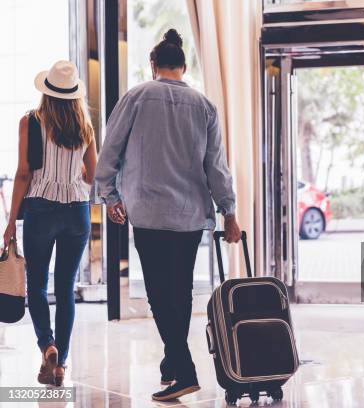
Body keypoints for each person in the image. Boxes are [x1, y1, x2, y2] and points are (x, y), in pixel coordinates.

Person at [95, 28, 241, 401]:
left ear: (153, 64)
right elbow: (217, 168)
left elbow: (109, 152)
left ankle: (185, 369)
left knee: (160, 294)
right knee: (180, 289)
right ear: (185, 66)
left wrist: (110, 196)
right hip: (190, 215)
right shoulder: (205, 106)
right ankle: (171, 364)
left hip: (148, 213)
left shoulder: (136, 97)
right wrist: (229, 212)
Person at [2, 60, 97, 386]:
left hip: (41, 209)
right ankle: (61, 362)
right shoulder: (85, 124)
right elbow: (93, 173)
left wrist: (11, 220)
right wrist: (73, 179)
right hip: (77, 211)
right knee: (66, 287)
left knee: (38, 285)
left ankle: (48, 345)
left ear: (46, 91)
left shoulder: (30, 122)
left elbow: (24, 173)